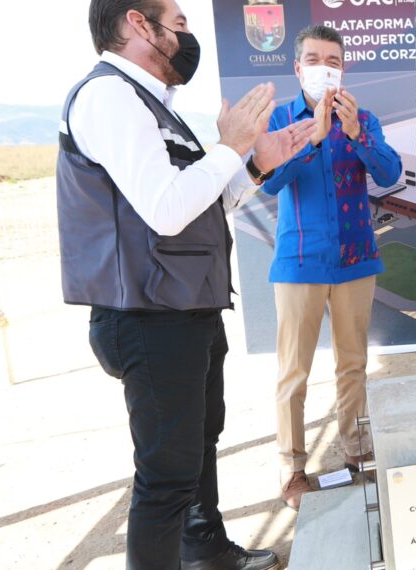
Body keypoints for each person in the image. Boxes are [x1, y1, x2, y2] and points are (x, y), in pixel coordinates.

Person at [57, 1, 314, 568]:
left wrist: (255, 165)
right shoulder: (109, 97)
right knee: (166, 477)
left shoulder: (150, 105)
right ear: (137, 24)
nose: (187, 34)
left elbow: (201, 203)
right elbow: (166, 210)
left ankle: (205, 551)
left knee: (196, 448)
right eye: (178, 23)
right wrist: (231, 147)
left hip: (185, 310)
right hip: (149, 316)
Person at [260, 24, 402, 511]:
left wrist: (356, 134)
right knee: (293, 371)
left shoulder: (362, 117)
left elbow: (389, 172)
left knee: (353, 364)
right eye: (315, 60)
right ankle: (293, 467)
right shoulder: (280, 119)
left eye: (334, 61)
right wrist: (313, 140)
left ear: (344, 69)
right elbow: (269, 182)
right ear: (298, 67)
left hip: (355, 259)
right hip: (300, 261)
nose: (325, 68)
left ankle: (357, 451)